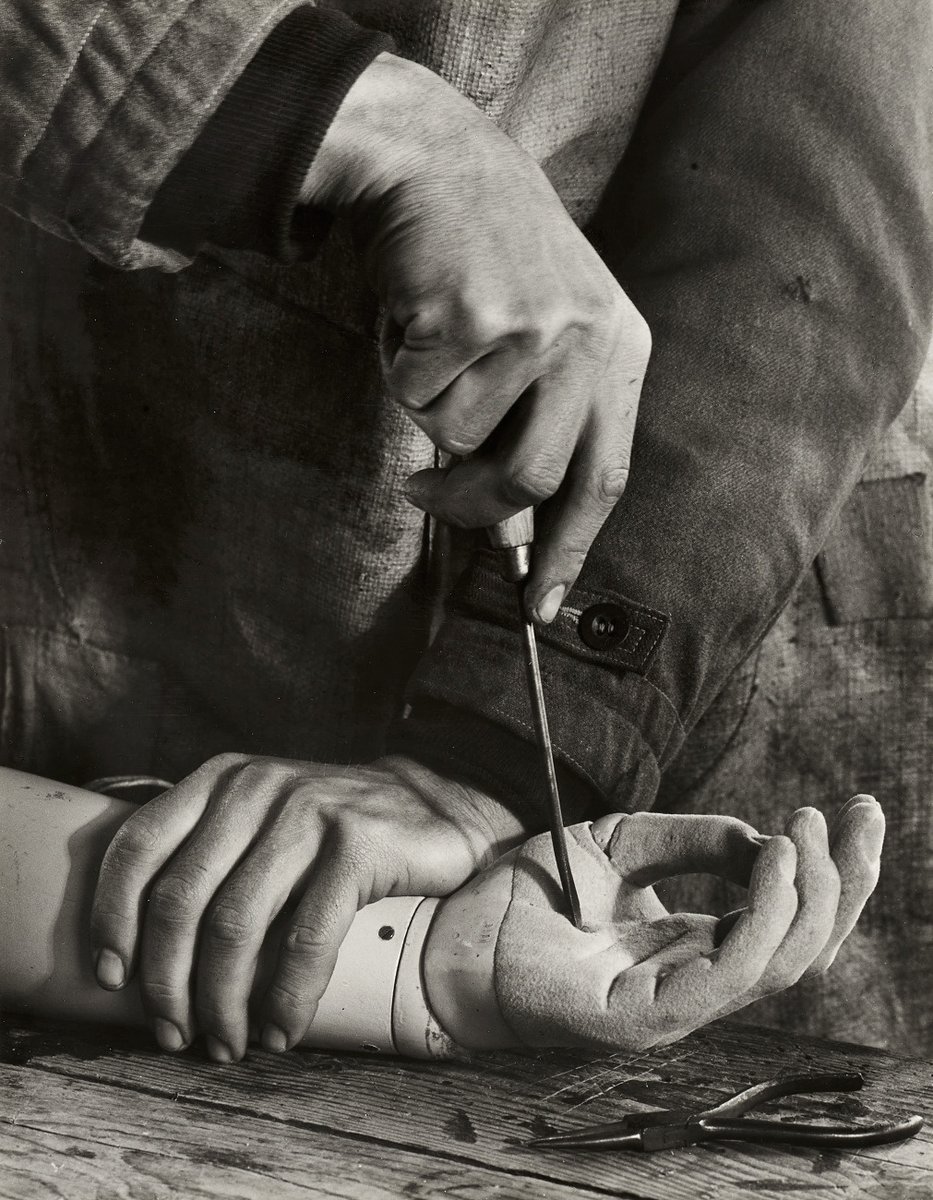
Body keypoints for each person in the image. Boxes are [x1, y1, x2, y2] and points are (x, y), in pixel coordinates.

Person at [1, 1, 931, 1059]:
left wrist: (504, 751)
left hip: (694, 641)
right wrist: (327, 109)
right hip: (93, 585)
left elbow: (801, 234)